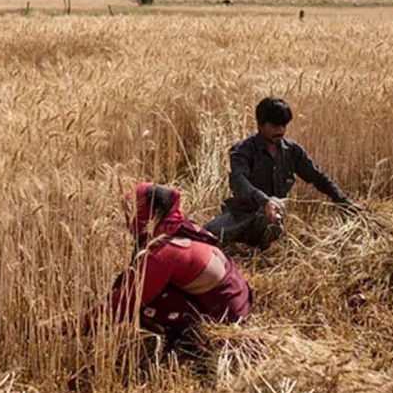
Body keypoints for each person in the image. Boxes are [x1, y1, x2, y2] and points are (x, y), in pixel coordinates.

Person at [87, 182, 253, 342]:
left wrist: (73, 326)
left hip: (228, 318)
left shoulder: (162, 254)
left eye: (132, 212)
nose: (127, 219)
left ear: (149, 215)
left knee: (147, 306)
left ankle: (188, 342)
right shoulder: (180, 228)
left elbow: (125, 303)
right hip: (239, 300)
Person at [206, 97, 353, 249]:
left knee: (272, 224)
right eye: (275, 126)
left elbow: (317, 177)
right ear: (260, 125)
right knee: (208, 235)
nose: (280, 131)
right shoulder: (242, 150)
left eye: (283, 125)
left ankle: (261, 245)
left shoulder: (292, 151)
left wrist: (343, 201)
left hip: (273, 218)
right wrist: (264, 201)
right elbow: (239, 181)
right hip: (241, 215)